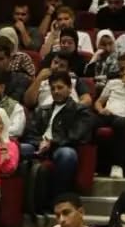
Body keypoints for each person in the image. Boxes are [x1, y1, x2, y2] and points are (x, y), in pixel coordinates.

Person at [20, 71, 94, 208]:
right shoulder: (42, 110)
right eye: (53, 88)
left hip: (60, 147)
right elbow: (30, 133)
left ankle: (58, 200)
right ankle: (20, 200)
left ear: (70, 88)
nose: (56, 91)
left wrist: (51, 143)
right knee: (18, 149)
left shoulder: (81, 111)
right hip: (38, 145)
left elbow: (76, 135)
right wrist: (40, 143)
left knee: (67, 154)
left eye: (60, 87)